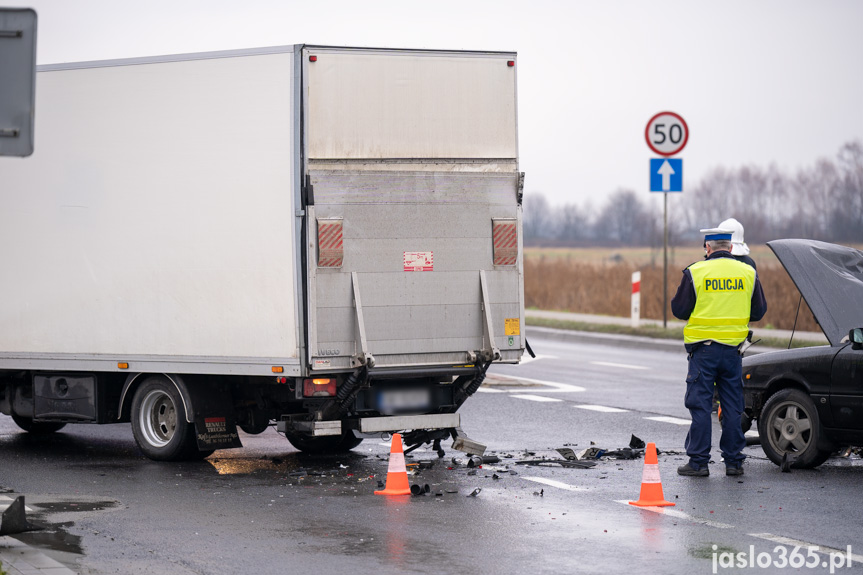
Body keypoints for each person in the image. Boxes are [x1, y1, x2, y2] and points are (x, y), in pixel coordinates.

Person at [671, 228, 767, 477]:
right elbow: (758, 312)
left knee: (701, 405)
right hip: (733, 352)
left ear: (707, 248)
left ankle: (699, 462)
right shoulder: (748, 273)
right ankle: (734, 462)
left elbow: (679, 310)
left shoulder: (696, 271)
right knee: (733, 406)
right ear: (731, 247)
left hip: (704, 351)